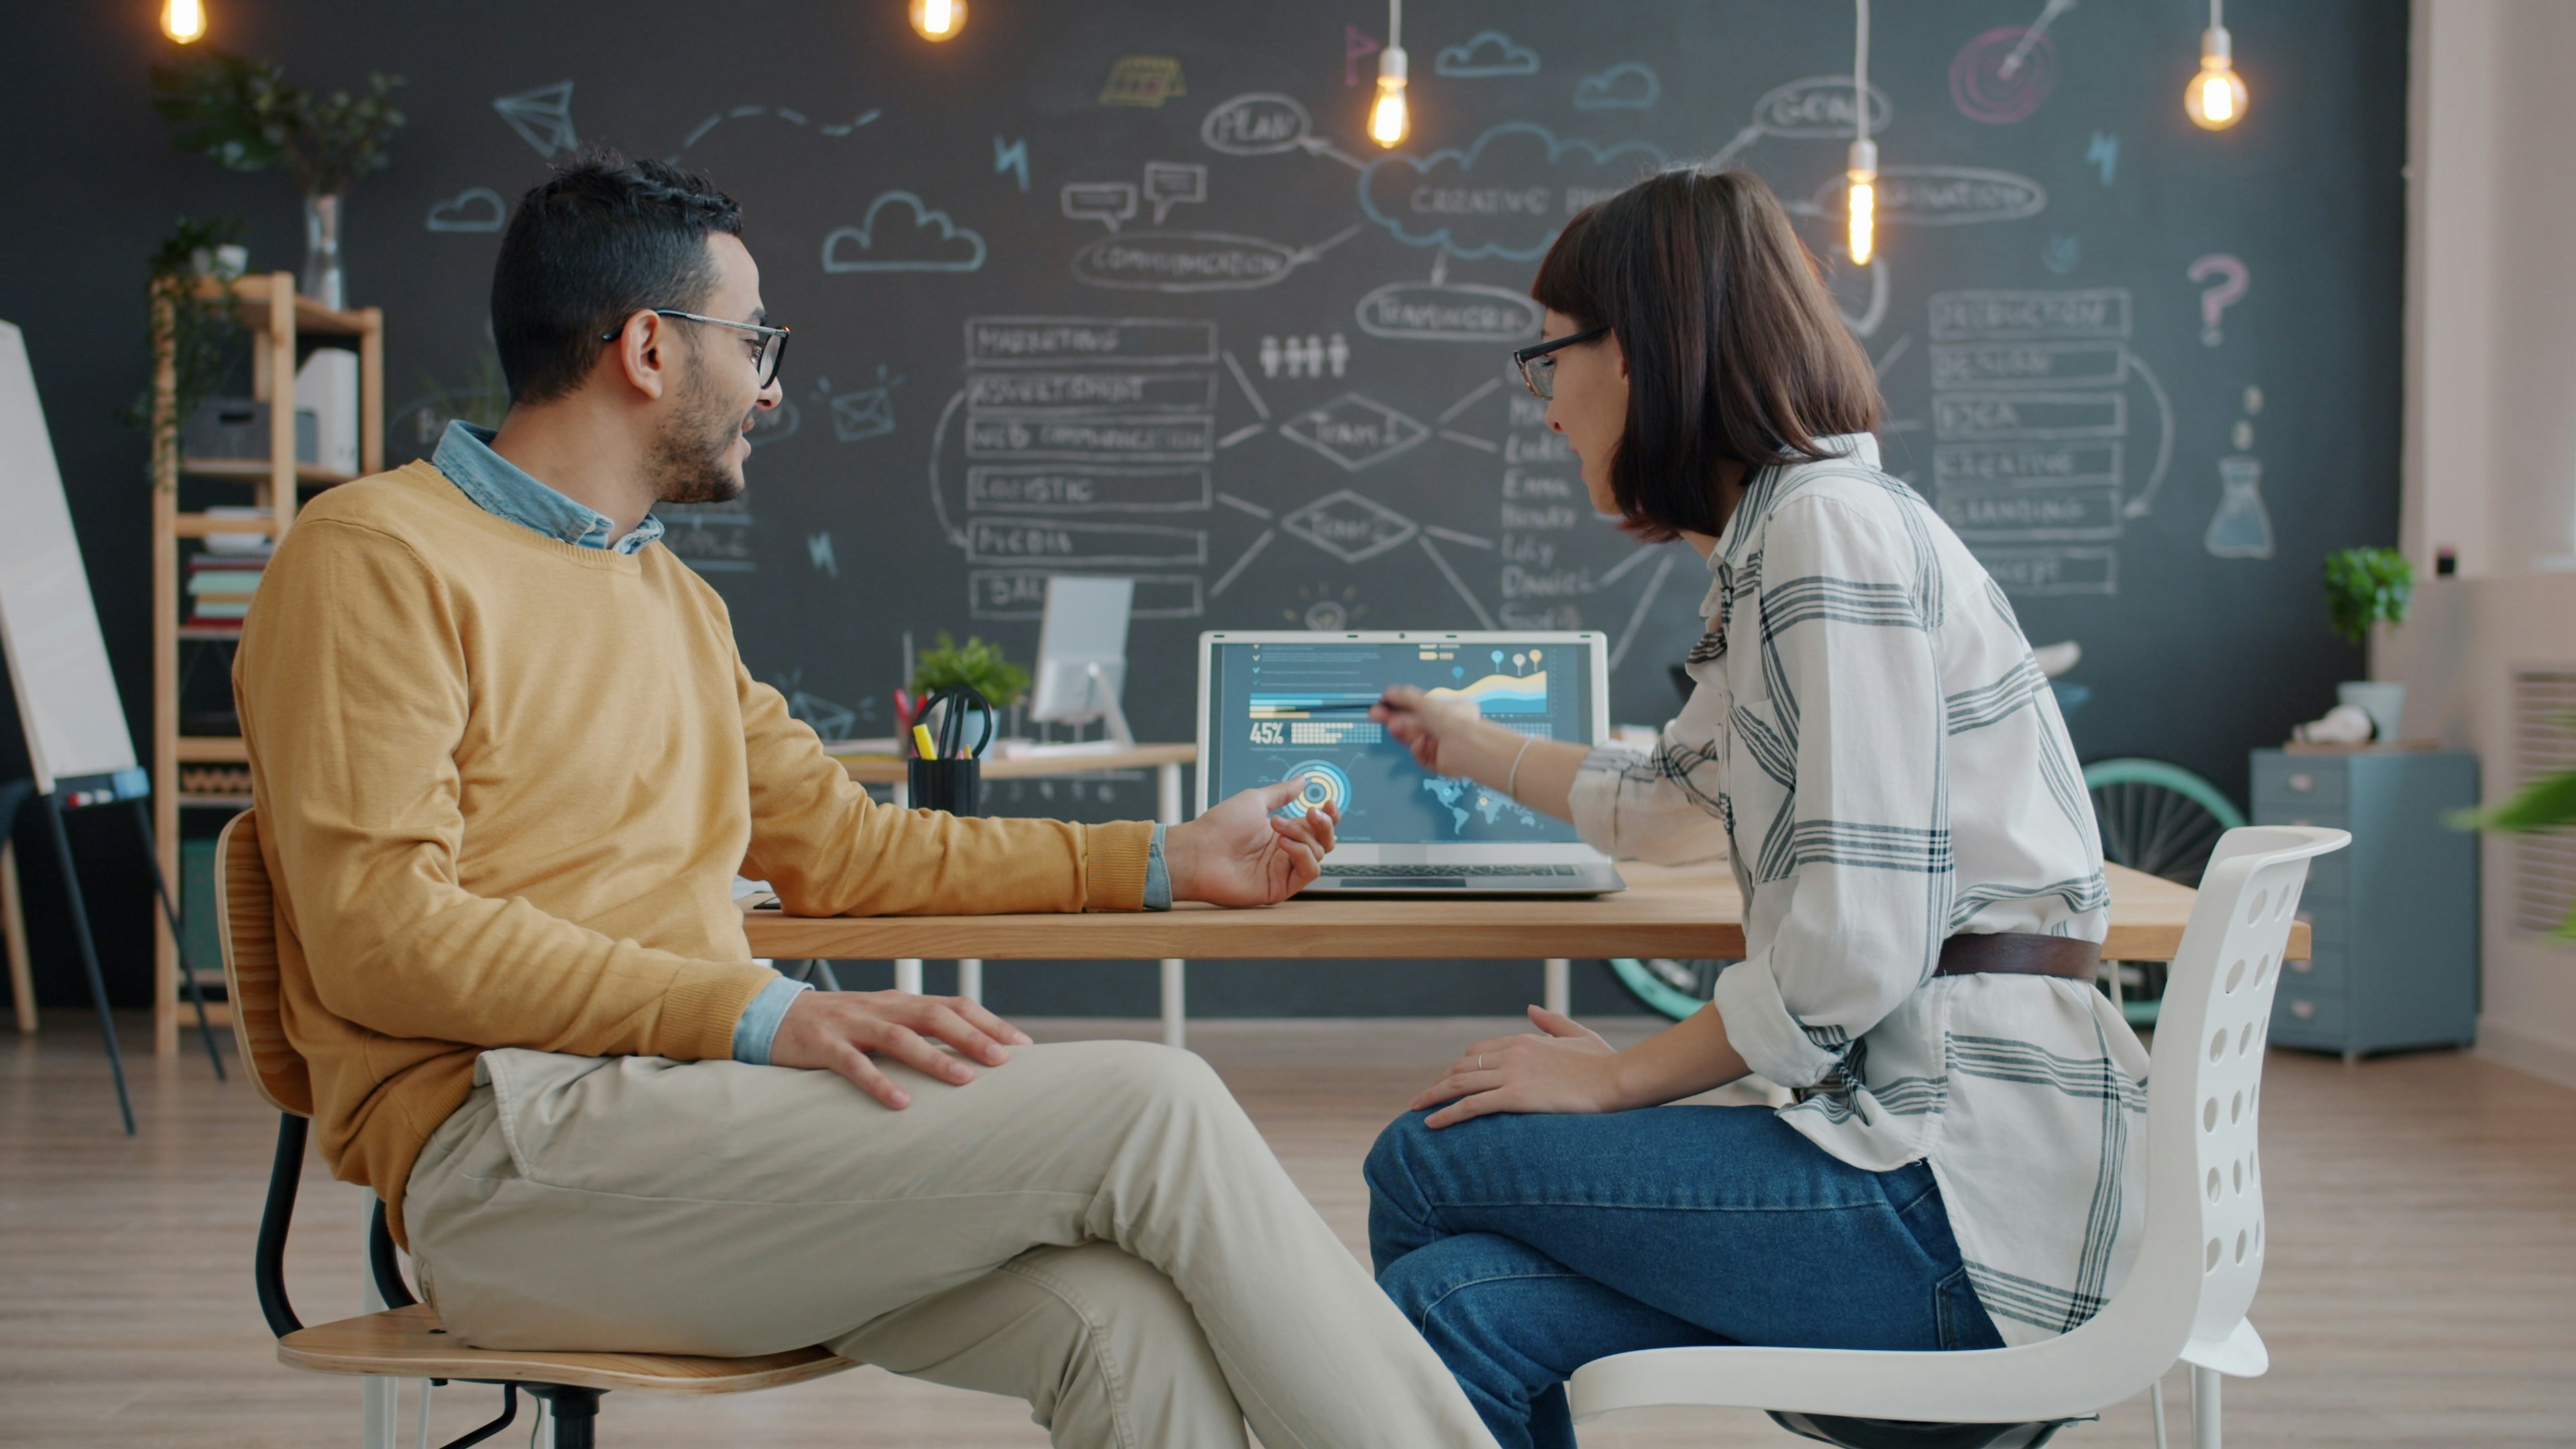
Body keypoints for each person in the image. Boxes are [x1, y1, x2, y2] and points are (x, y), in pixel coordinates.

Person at [233, 148, 1498, 1449]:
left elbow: (845, 850)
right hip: (517, 1168)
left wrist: (1167, 856)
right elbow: (378, 933)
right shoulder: (373, 560)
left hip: (697, 1140)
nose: (770, 389)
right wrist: (752, 1011)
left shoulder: (671, 603)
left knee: (1122, 1321)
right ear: (651, 350)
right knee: (1153, 1106)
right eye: (754, 340)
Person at [1362, 168, 2137, 1449]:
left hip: (1958, 1213)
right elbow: (1667, 806)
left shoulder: (1824, 539)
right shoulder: (1805, 527)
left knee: (1432, 1155)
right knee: (1455, 1306)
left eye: (1547, 357)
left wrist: (1624, 1083)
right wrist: (1472, 742)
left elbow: (1858, 945)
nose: (1545, 404)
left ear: (1646, 349)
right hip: (1926, 1160)